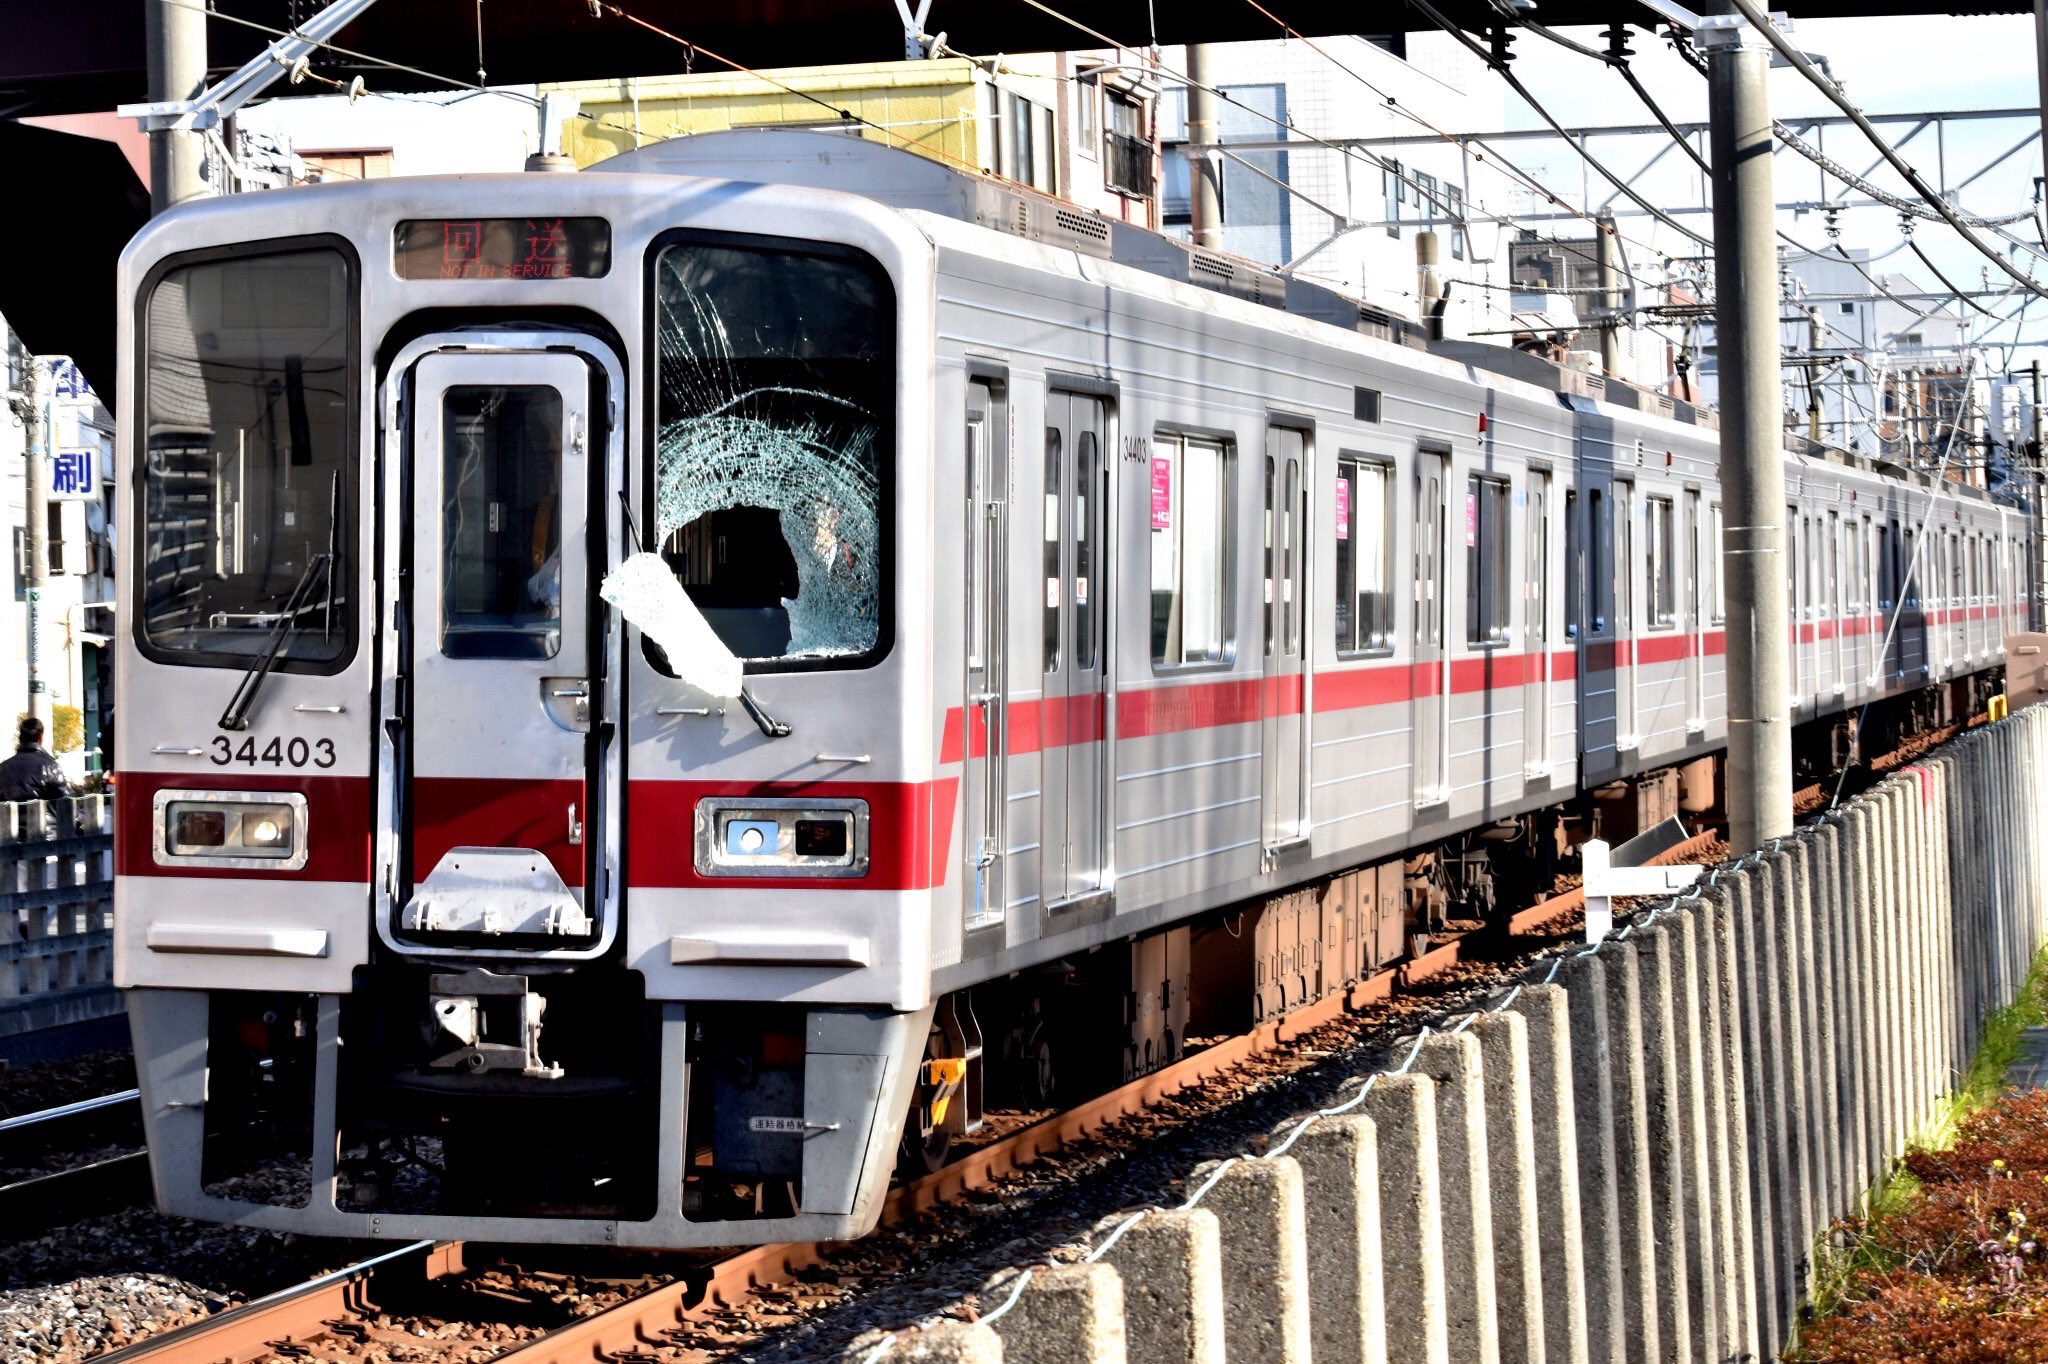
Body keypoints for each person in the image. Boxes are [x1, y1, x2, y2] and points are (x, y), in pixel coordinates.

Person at [0, 718, 70, 802]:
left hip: (6, 815)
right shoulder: (51, 767)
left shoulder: (3, 768)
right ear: (40, 738)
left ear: (20, 739)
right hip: (43, 815)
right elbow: (65, 804)